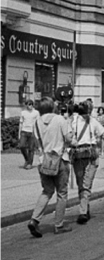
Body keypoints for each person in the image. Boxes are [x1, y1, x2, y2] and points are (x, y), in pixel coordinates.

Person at [27, 97, 74, 237]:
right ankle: (58, 224)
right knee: (62, 193)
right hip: (60, 159)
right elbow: (69, 139)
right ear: (52, 106)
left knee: (47, 191)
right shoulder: (60, 119)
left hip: (43, 160)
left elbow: (36, 142)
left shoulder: (36, 123)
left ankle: (34, 219)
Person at [69, 101, 104, 224]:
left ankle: (83, 212)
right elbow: (67, 136)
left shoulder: (93, 121)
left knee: (86, 184)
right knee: (81, 184)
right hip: (78, 155)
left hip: (91, 156)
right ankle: (85, 207)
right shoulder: (73, 121)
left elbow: (103, 133)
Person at [19, 100, 39, 169]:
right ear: (26, 105)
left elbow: (37, 123)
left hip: (32, 132)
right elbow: (21, 123)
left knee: (31, 149)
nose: (30, 105)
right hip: (24, 131)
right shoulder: (23, 112)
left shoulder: (36, 113)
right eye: (28, 104)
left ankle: (30, 163)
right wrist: (19, 133)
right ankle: (27, 159)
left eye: (31, 104)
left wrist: (37, 134)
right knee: (22, 146)